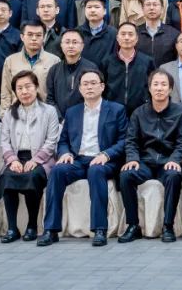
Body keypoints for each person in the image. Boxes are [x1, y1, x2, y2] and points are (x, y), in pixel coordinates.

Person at [38, 69, 126, 247]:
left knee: (96, 171)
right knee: (57, 171)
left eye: (93, 83)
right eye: (85, 84)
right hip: (78, 160)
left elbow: (124, 140)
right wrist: (65, 153)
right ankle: (51, 230)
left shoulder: (116, 110)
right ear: (79, 89)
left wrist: (106, 154)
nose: (89, 87)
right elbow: (63, 140)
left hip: (104, 161)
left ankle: (100, 229)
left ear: (102, 87)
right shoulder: (72, 112)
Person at [118, 70, 182, 243]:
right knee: (126, 175)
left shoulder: (180, 113)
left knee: (174, 175)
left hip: (168, 161)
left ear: (170, 89)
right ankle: (133, 225)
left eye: (164, 84)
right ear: (150, 88)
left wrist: (175, 160)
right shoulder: (139, 113)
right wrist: (133, 159)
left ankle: (168, 226)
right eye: (155, 84)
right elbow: (131, 140)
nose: (159, 88)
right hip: (145, 162)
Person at [0, 71, 61, 243]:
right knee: (7, 177)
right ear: (15, 92)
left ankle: (32, 226)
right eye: (19, 88)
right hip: (16, 158)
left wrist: (35, 160)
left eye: (28, 87)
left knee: (33, 176)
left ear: (36, 87)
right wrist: (12, 160)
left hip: (42, 159)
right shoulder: (9, 113)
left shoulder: (49, 111)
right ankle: (12, 228)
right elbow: (5, 141)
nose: (24, 91)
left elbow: (52, 140)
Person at [0, 21, 60, 113]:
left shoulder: (54, 61)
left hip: (45, 113)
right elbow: (6, 92)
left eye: (38, 35)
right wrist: (4, 115)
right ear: (22, 37)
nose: (34, 38)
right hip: (17, 113)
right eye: (30, 35)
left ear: (44, 37)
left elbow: (57, 93)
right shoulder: (11, 60)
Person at [101, 23, 156, 115]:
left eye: (130, 34)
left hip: (141, 111)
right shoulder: (107, 62)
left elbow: (152, 85)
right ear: (117, 38)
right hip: (113, 111)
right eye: (123, 34)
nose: (126, 38)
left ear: (136, 39)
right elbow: (102, 87)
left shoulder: (147, 61)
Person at [45, 29, 97, 119]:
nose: (71, 46)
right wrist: (60, 119)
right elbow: (50, 99)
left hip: (84, 119)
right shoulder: (54, 70)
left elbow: (95, 97)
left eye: (75, 42)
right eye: (67, 42)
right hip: (59, 122)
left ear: (82, 46)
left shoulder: (91, 69)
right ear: (61, 45)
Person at [135, 0, 180, 65]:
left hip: (165, 71)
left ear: (162, 9)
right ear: (142, 9)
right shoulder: (135, 33)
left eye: (155, 4)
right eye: (148, 5)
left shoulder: (174, 34)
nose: (151, 8)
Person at [77, 0, 118, 67]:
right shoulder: (77, 32)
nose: (92, 10)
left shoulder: (113, 33)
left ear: (105, 11)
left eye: (97, 7)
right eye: (89, 7)